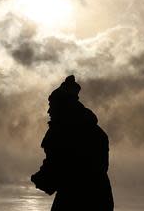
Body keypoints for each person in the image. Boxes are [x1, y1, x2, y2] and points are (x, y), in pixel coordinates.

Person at [31, 75, 114, 211]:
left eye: (51, 106)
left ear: (61, 106)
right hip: (101, 198)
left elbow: (59, 165)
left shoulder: (62, 131)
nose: (49, 111)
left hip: (74, 199)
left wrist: (41, 179)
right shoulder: (96, 131)